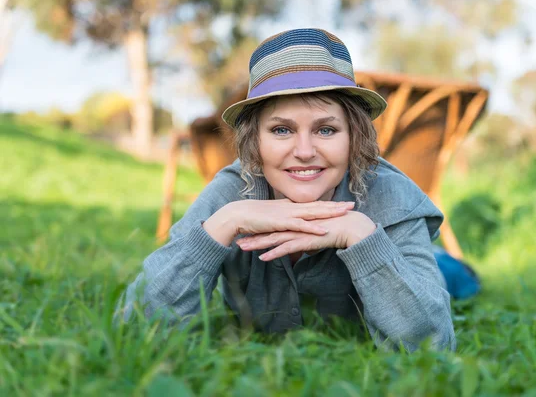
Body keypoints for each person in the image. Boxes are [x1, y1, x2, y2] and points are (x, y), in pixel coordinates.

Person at [119, 28, 456, 352]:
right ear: (255, 141)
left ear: (354, 137)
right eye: (281, 130)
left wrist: (360, 234)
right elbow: (133, 331)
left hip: (420, 262)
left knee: (456, 279)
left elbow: (433, 347)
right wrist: (224, 223)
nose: (305, 151)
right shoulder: (230, 194)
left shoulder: (391, 197)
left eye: (326, 130)